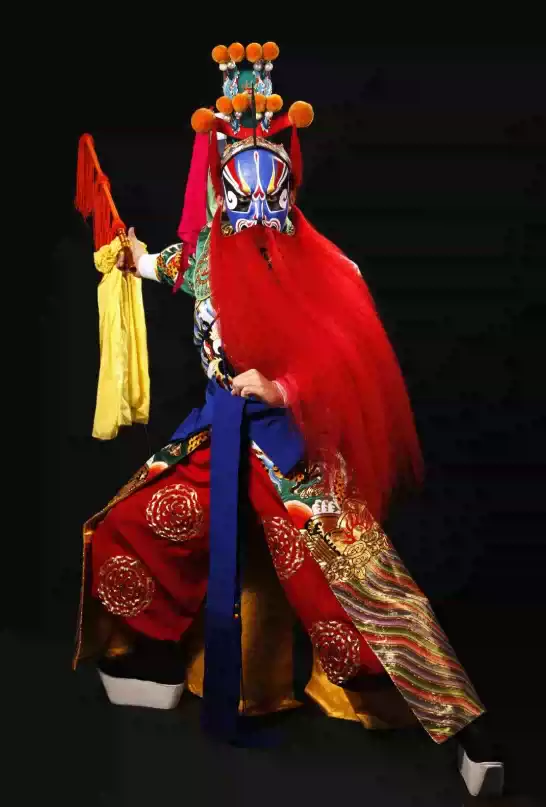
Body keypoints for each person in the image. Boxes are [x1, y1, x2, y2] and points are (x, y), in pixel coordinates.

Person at [73, 42, 503, 798]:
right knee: (126, 524)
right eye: (235, 170)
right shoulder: (203, 259)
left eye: (263, 170)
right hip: (218, 435)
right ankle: (149, 661)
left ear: (283, 176)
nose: (250, 191)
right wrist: (125, 253)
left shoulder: (323, 265)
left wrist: (282, 386)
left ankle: (462, 724)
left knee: (363, 583)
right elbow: (151, 263)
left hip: (289, 449)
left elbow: (347, 359)